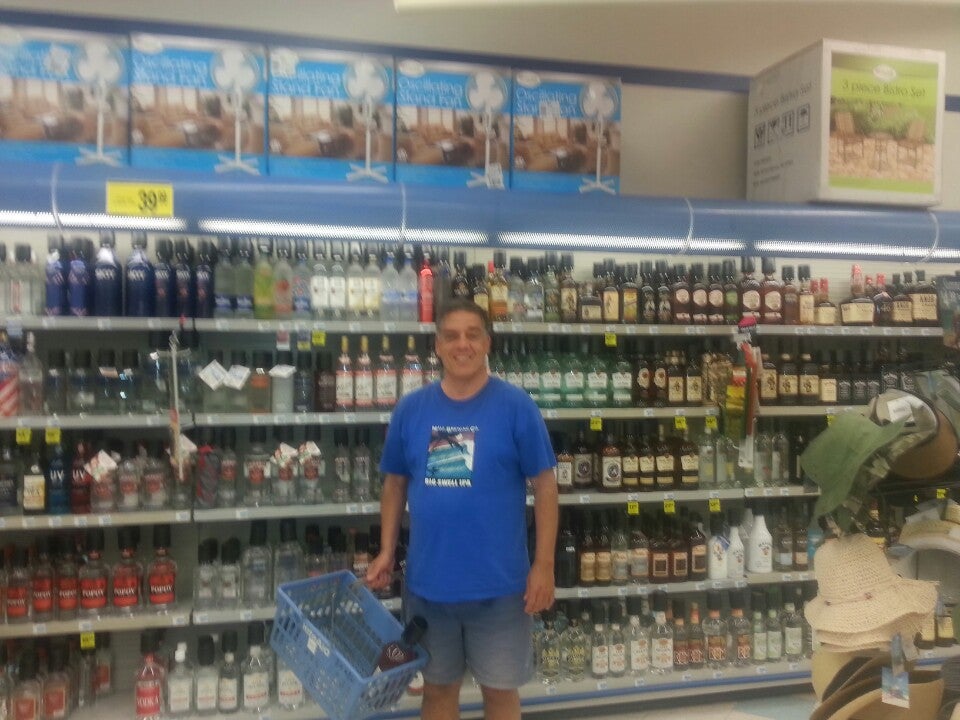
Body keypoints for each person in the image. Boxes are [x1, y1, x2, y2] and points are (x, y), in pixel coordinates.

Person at [366, 298, 558, 720]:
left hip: (501, 589)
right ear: (437, 346)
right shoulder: (411, 410)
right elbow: (394, 484)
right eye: (451, 336)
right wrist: (386, 550)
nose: (462, 344)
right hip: (429, 587)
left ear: (487, 343)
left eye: (472, 335)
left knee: (501, 695)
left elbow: (545, 486)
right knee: (437, 692)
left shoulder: (516, 407)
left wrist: (544, 565)